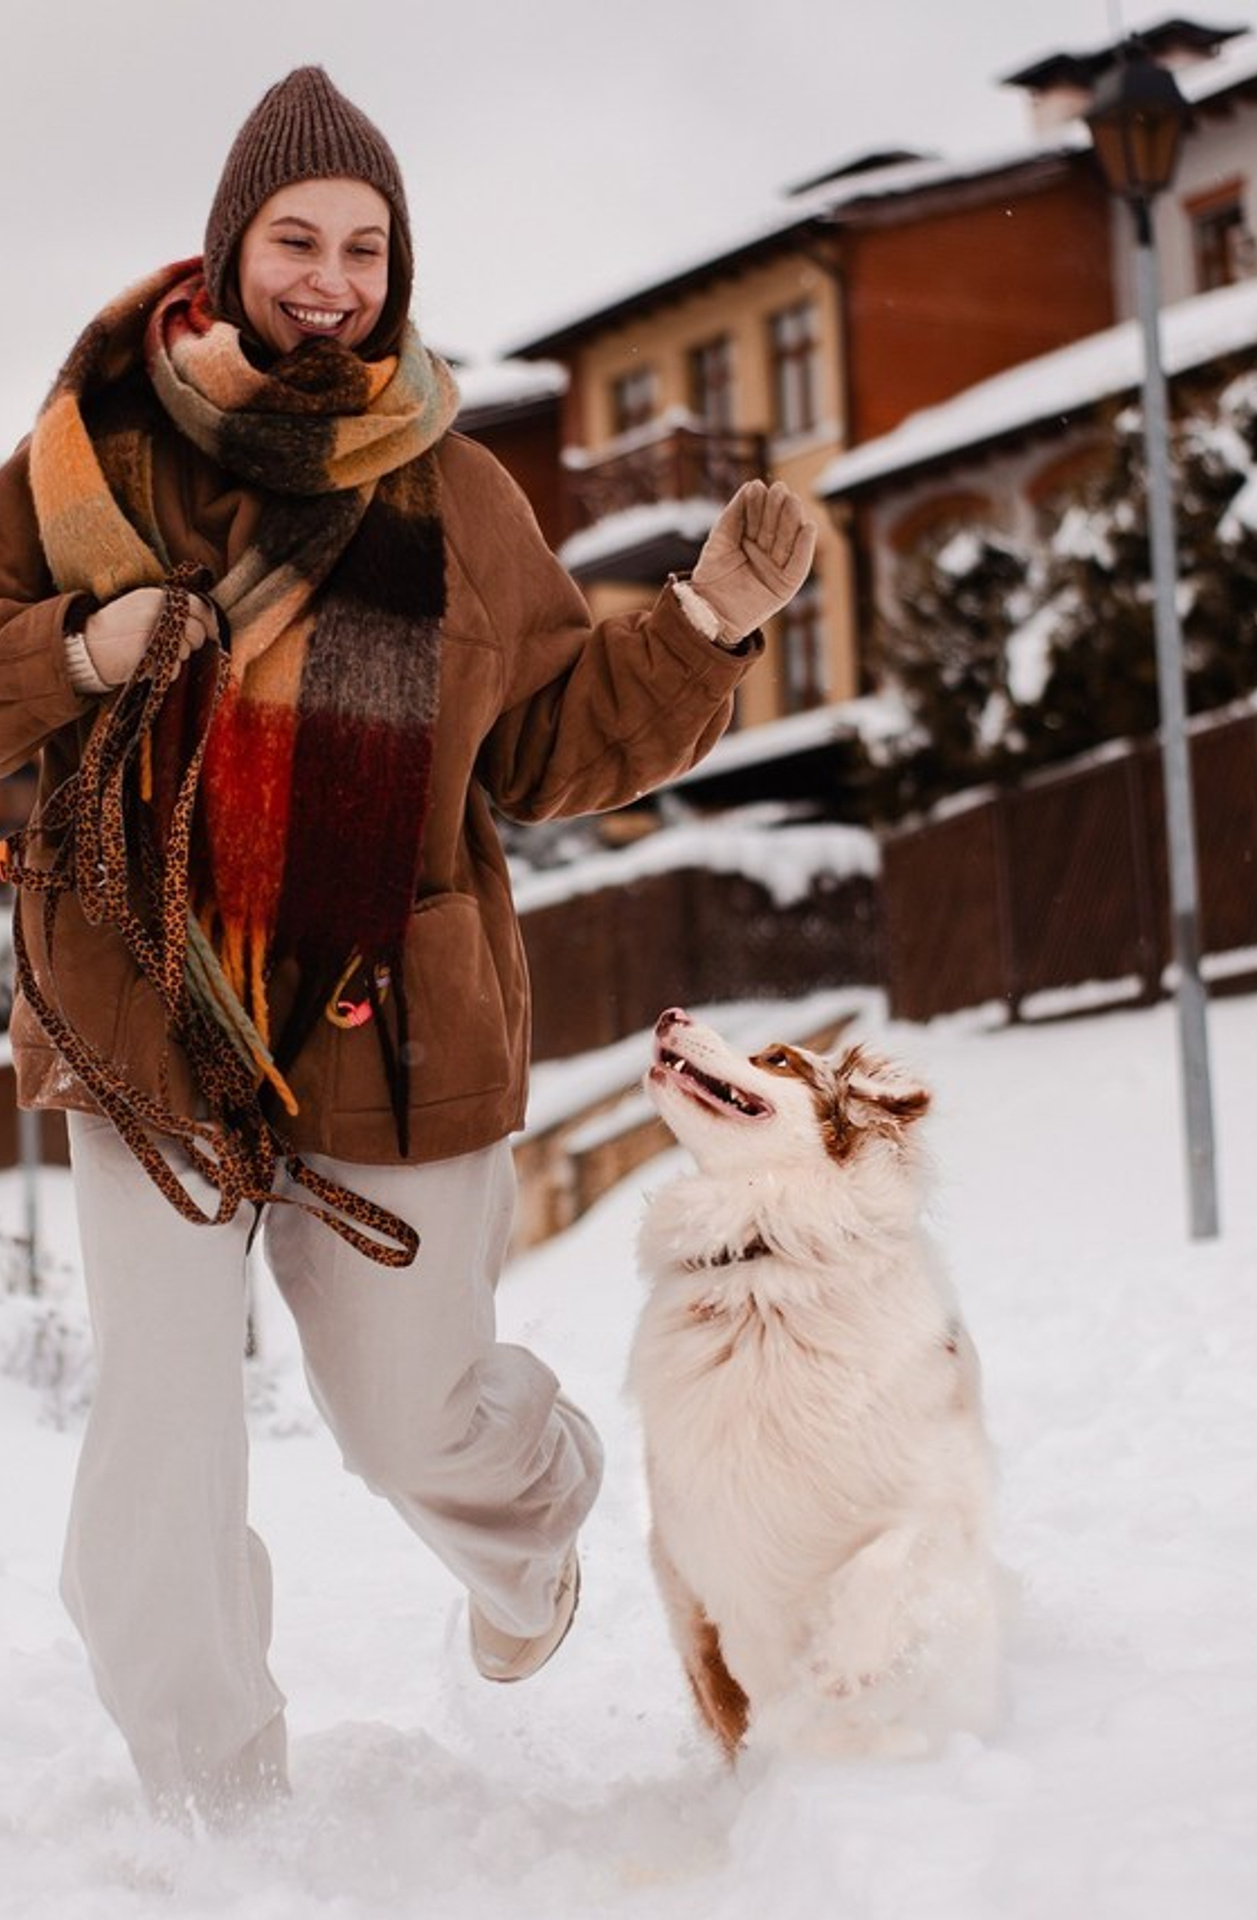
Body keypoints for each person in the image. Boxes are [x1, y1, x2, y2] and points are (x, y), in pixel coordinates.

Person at [0, 67, 816, 1824]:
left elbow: (539, 747)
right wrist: (76, 653)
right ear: (229, 252)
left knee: (412, 1417)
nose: (331, 277)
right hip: (144, 1006)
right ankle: (217, 1805)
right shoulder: (87, 458)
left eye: (364, 247)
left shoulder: (457, 491)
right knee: (160, 1431)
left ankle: (533, 1538)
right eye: (298, 237)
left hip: (390, 1013)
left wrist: (704, 626)